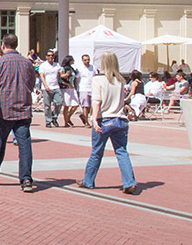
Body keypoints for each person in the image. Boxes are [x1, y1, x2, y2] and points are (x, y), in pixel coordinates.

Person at [0, 34, 37, 193]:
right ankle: (26, 179)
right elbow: (32, 84)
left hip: (3, 111)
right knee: (25, 146)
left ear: (3, 45)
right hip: (23, 110)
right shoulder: (27, 63)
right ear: (16, 45)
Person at [77, 51, 137, 194]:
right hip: (120, 119)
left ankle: (88, 180)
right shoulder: (120, 80)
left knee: (97, 151)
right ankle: (129, 182)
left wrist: (93, 119)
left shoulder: (98, 79)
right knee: (121, 151)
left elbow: (96, 101)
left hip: (103, 119)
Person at [39, 50, 62, 128]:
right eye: (49, 55)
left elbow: (61, 74)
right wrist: (46, 86)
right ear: (46, 57)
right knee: (47, 105)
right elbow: (42, 76)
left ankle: (54, 116)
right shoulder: (43, 65)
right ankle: (48, 121)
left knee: (59, 102)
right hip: (46, 88)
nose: (51, 57)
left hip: (56, 86)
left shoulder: (57, 65)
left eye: (52, 55)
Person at [58, 55, 80, 127]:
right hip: (65, 88)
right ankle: (65, 121)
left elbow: (75, 77)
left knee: (76, 104)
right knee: (66, 105)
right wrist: (67, 76)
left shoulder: (72, 68)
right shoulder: (62, 68)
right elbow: (60, 78)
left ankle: (68, 117)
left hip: (72, 88)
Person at [77, 54, 95, 126]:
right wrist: (76, 88)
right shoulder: (79, 68)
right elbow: (76, 78)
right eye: (85, 60)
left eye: (88, 60)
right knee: (85, 105)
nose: (87, 61)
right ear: (82, 60)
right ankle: (86, 121)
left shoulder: (93, 67)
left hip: (92, 88)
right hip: (83, 88)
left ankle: (84, 116)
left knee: (91, 106)